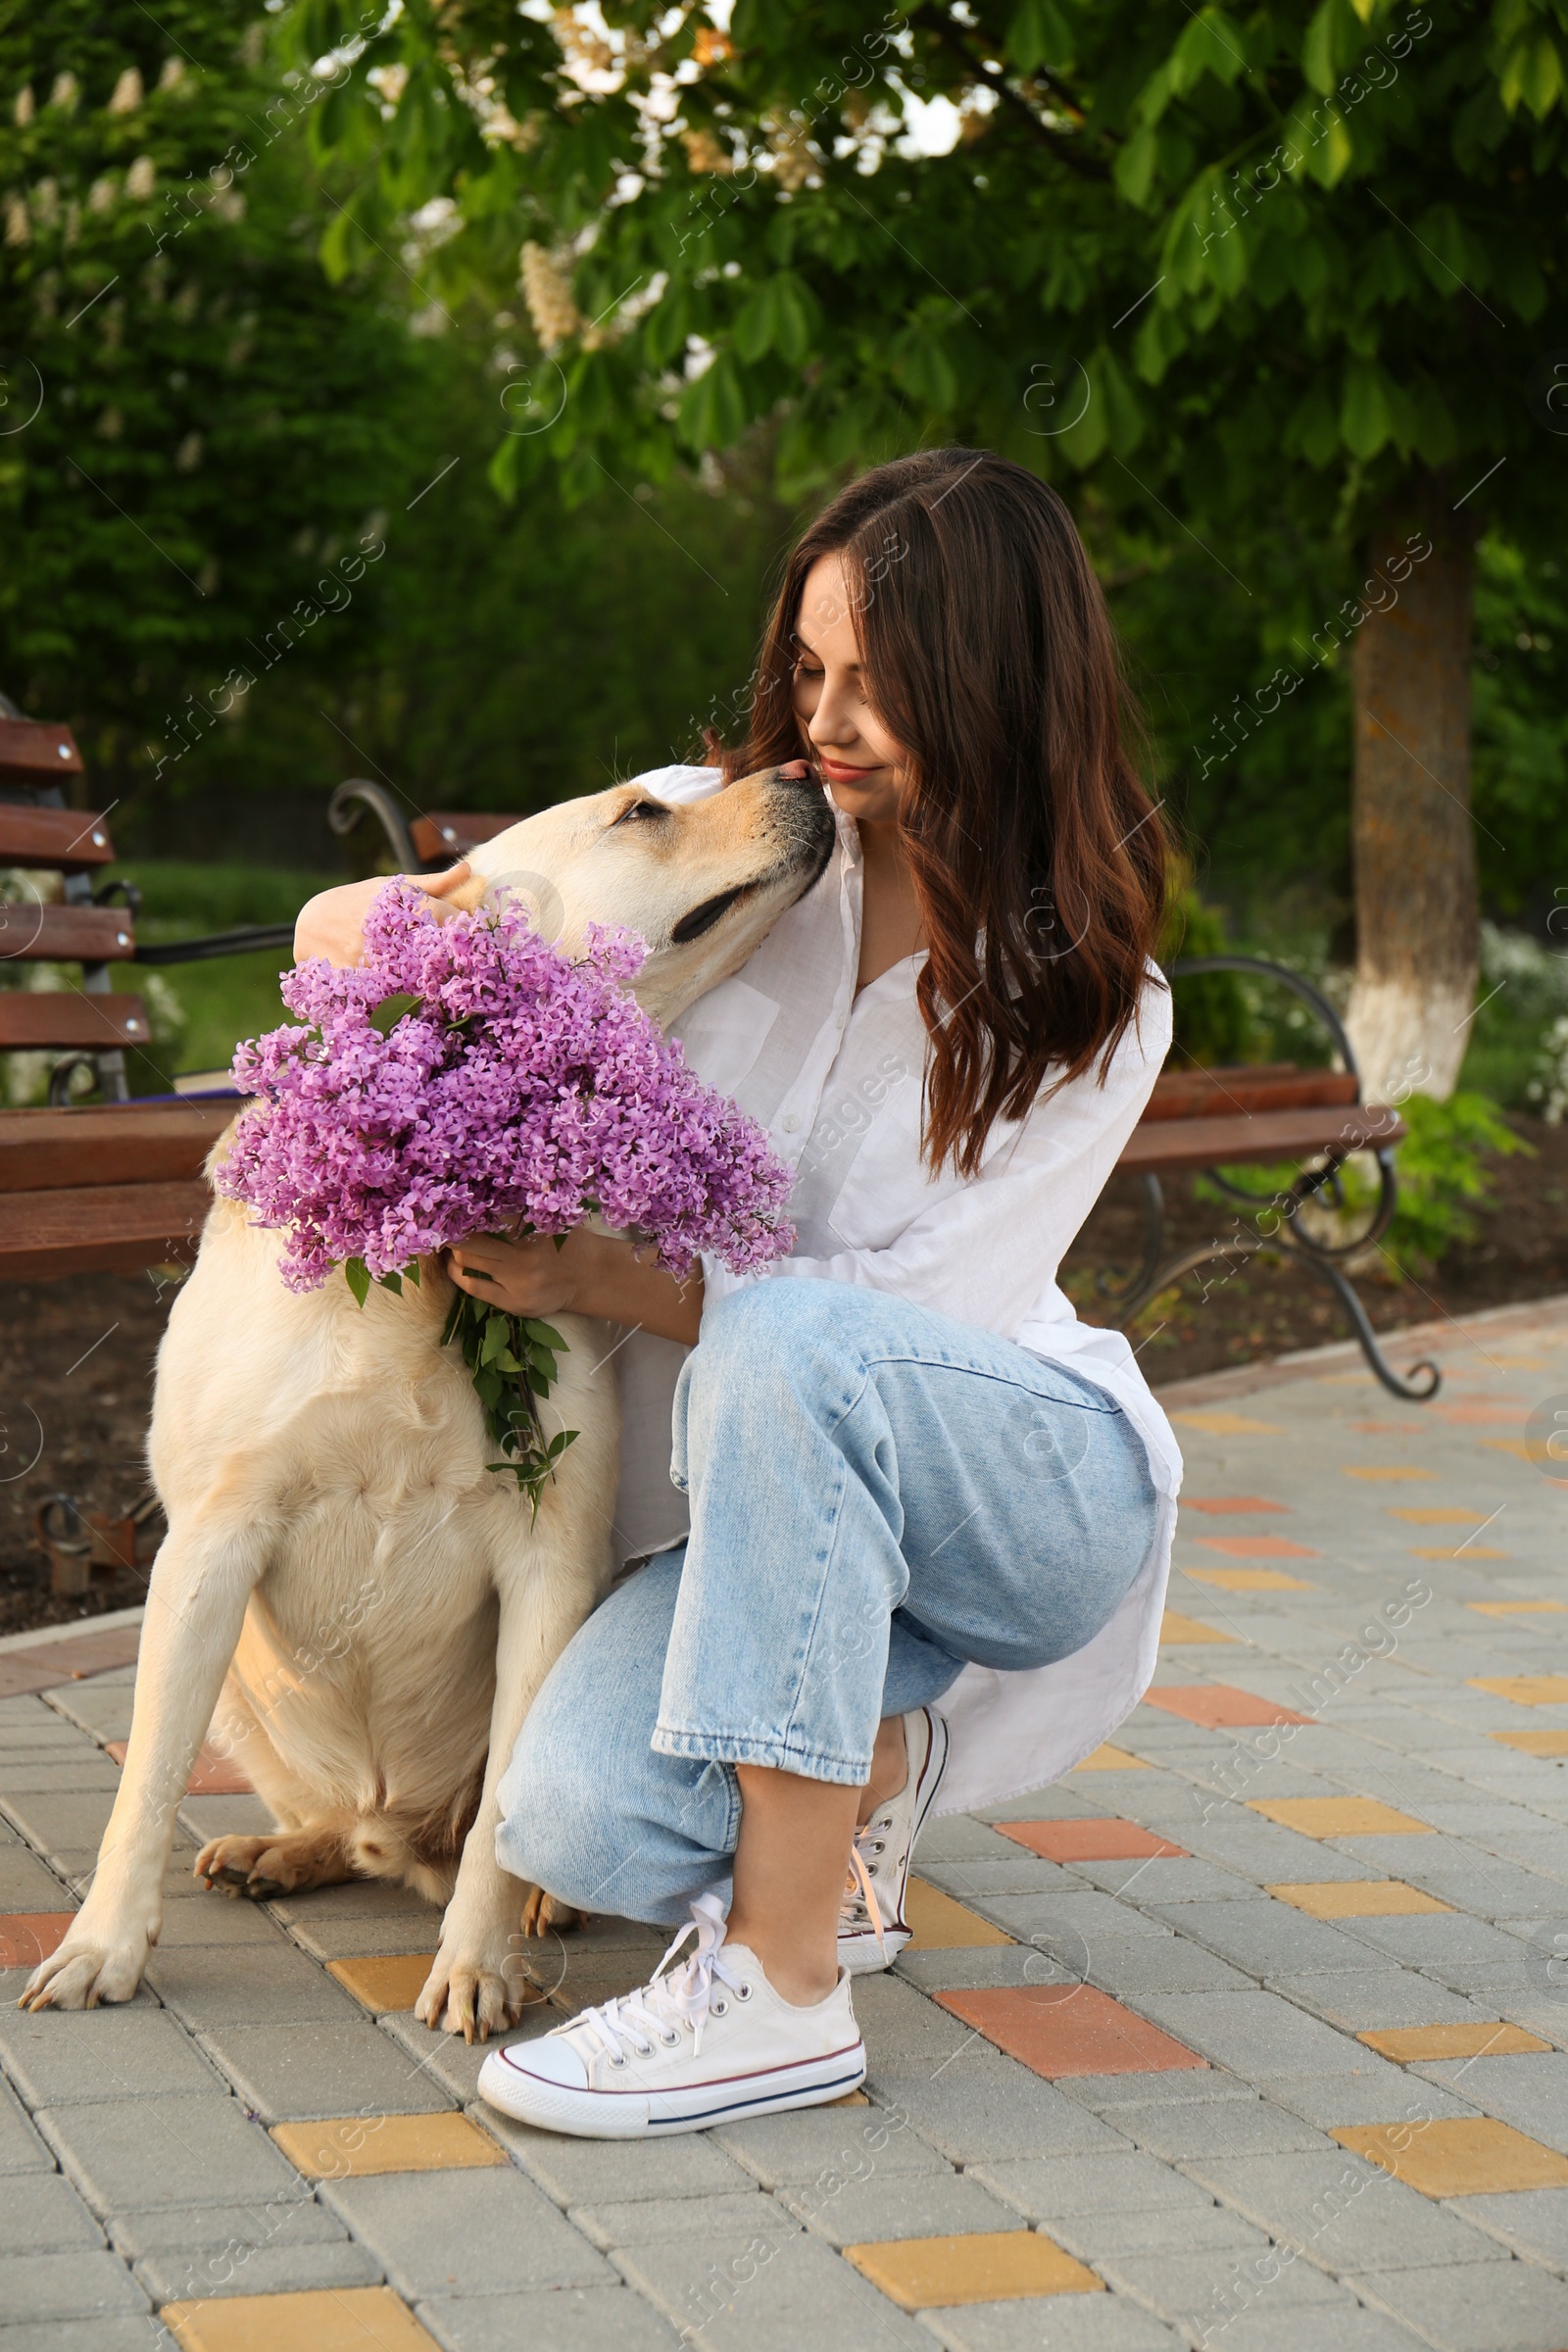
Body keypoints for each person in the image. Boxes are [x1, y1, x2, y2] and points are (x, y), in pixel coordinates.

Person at [298, 448, 1181, 2140]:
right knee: (572, 1825)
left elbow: (901, 1318)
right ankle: (870, 1759)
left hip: (1020, 1487)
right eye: (810, 669)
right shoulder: (726, 840)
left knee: (788, 1323)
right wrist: (434, 1061)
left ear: (998, 685)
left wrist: (614, 1274)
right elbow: (354, 922)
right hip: (769, 1511)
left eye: (883, 686)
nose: (828, 724)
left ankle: (778, 1992)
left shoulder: (1090, 998)